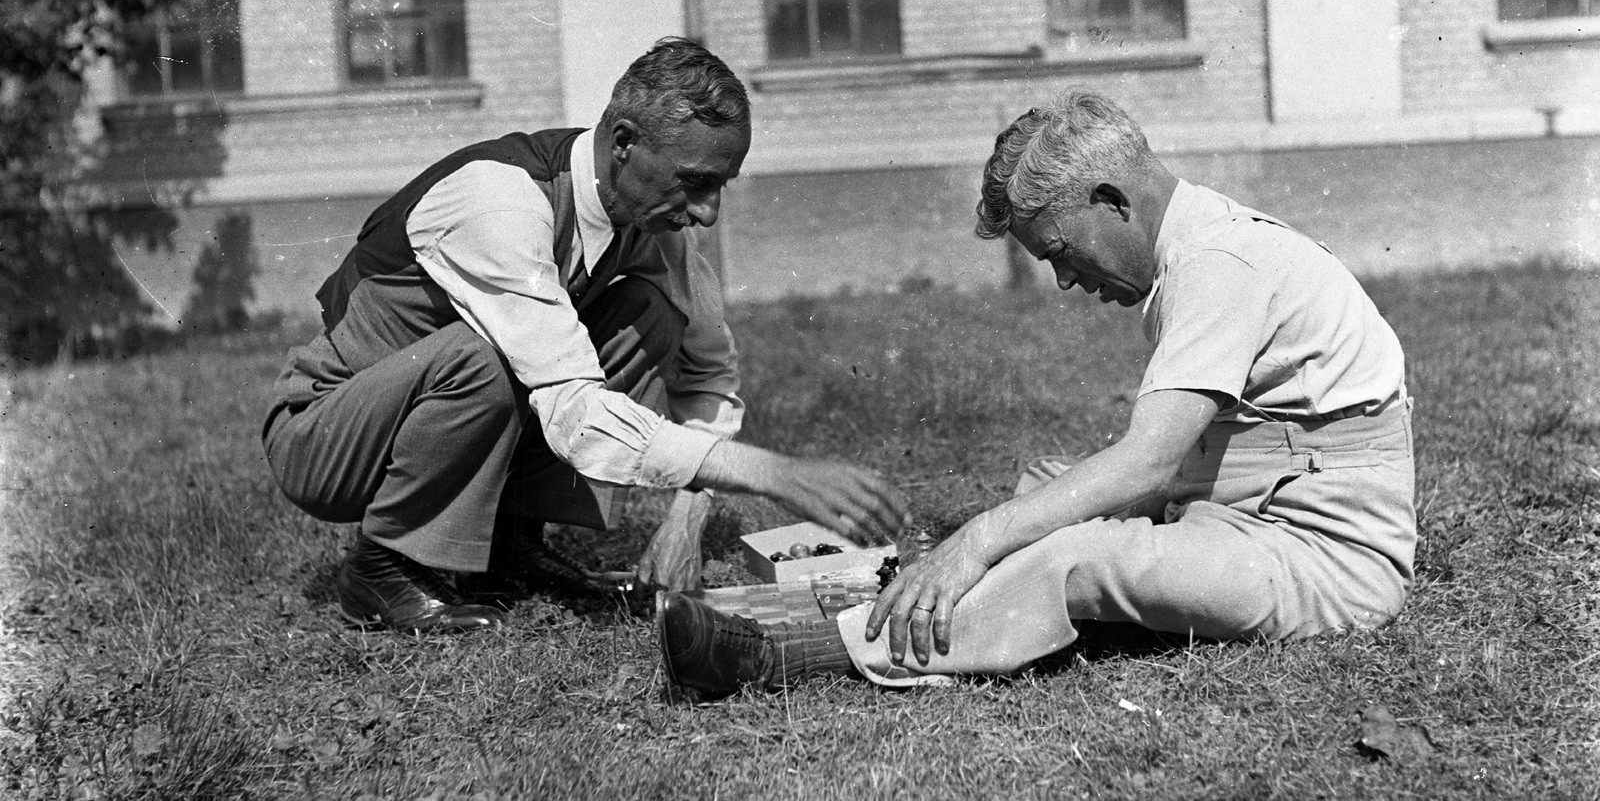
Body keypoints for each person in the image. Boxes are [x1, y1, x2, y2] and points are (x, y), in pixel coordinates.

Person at [657, 91, 1415, 700]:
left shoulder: (1219, 262)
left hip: (1325, 553)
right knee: (1050, 488)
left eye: (1059, 250)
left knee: (1078, 551)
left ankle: (817, 645)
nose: (1065, 280)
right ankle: (932, 595)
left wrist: (980, 538)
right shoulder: (1201, 244)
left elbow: (1149, 464)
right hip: (1250, 495)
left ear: (1111, 199)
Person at [262, 38, 907, 634]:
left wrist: (688, 513)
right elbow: (575, 411)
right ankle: (383, 568)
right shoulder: (499, 202)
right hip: (326, 436)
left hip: (422, 417)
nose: (709, 211)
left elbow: (708, 372)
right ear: (623, 142)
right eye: (697, 181)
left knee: (648, 314)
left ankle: (506, 547)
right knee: (482, 358)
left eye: (722, 185)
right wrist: (776, 474)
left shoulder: (651, 226)